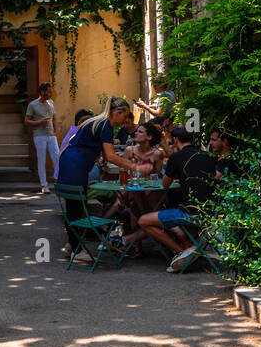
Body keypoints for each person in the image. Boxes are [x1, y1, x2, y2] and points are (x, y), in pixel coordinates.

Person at [129, 127, 218, 270]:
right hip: (211, 213)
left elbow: (165, 184)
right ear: (193, 140)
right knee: (167, 209)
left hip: (190, 213)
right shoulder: (208, 156)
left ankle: (182, 251)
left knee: (143, 220)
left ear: (175, 140)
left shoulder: (176, 157)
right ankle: (189, 247)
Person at [56, 97, 136, 189]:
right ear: (117, 113)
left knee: (76, 199)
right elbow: (110, 156)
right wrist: (134, 167)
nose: (125, 120)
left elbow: (106, 155)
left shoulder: (100, 122)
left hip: (69, 160)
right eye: (125, 116)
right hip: (75, 163)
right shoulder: (106, 126)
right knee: (77, 200)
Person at [25, 82, 59, 193]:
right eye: (48, 91)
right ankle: (44, 185)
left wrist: (56, 130)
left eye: (51, 91)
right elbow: (27, 121)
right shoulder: (33, 105)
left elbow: (54, 117)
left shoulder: (51, 102)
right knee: (42, 160)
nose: (50, 93)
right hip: (39, 135)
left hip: (51, 135)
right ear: (42, 92)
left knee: (57, 158)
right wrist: (40, 122)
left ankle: (58, 182)